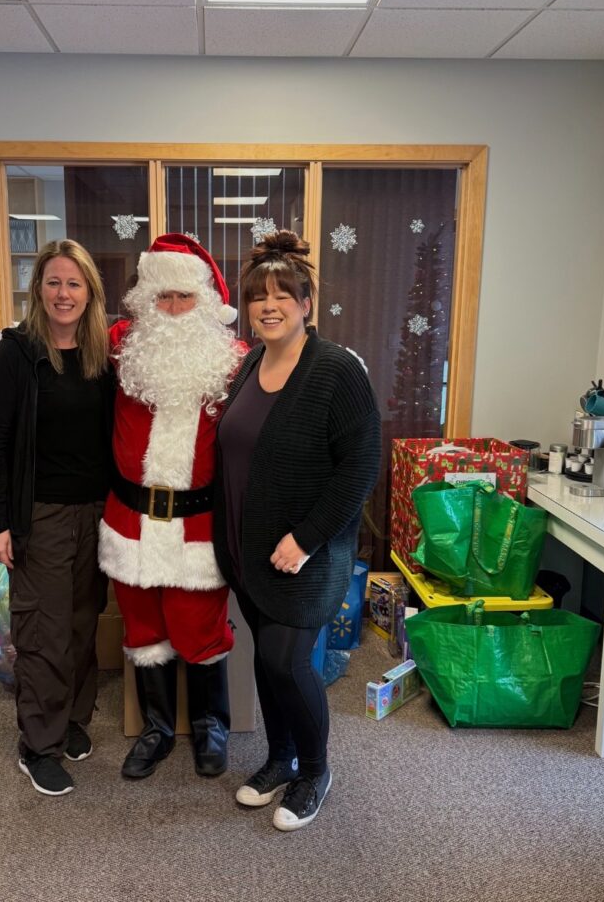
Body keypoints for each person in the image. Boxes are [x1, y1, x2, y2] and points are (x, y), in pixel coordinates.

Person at [213, 229, 381, 832]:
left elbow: (361, 466)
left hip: (305, 553)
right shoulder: (251, 363)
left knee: (288, 663)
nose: (269, 306)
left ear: (306, 304)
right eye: (259, 296)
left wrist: (307, 538)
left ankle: (314, 770)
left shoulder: (336, 370)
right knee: (267, 660)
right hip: (249, 548)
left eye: (283, 295)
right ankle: (280, 757)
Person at [98, 233, 244, 780]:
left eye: (185, 296)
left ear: (205, 302)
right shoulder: (122, 346)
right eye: (164, 296)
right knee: (142, 631)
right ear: (146, 300)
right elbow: (65, 339)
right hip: (130, 520)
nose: (175, 308)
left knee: (200, 629)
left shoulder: (235, 360)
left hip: (198, 524)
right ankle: (156, 729)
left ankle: (211, 725)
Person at [0, 239, 113, 797]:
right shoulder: (16, 353)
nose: (63, 293)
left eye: (74, 283)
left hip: (96, 513)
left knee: (82, 624)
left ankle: (72, 718)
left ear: (90, 293)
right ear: (37, 290)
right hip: (40, 515)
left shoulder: (102, 355)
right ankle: (37, 745)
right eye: (53, 282)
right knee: (44, 631)